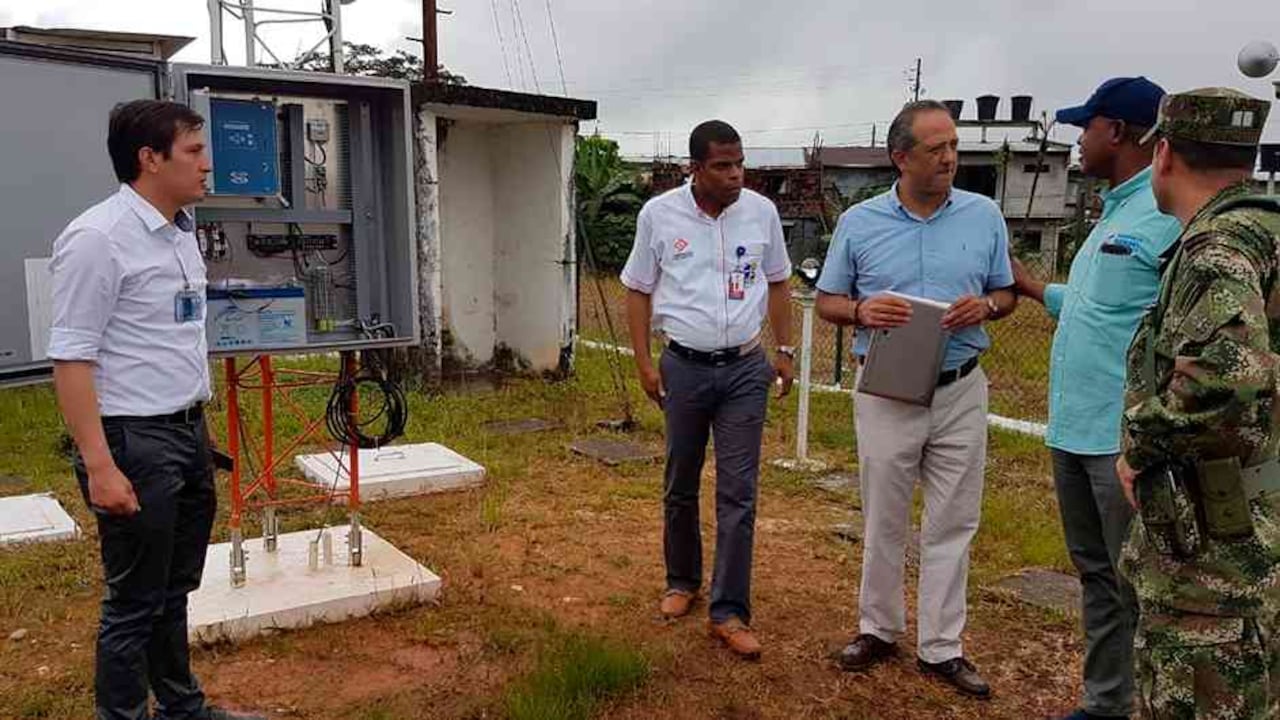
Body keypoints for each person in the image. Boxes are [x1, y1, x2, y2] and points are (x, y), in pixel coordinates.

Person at [49, 100, 263, 720]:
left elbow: (170, 339)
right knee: (134, 602)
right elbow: (71, 359)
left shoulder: (179, 230)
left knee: (174, 590)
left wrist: (197, 425)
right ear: (150, 159)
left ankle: (181, 708)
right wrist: (100, 466)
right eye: (194, 153)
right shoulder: (98, 239)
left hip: (184, 433)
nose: (207, 167)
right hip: (131, 443)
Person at [814, 100, 1017, 698]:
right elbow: (828, 301)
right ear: (901, 157)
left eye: (953, 146)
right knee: (884, 516)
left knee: (954, 519)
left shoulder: (984, 216)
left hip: (961, 387)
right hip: (887, 391)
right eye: (936, 149)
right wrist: (860, 310)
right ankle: (877, 628)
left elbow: (1005, 293)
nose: (951, 157)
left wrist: (986, 307)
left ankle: (941, 647)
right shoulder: (859, 223)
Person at [1012, 77, 1182, 720]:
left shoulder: (1168, 219)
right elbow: (1101, 310)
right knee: (1099, 579)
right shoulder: (1111, 212)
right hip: (1073, 431)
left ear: (1116, 131)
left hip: (1123, 441)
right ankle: (1106, 703)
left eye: (1086, 127)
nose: (1078, 140)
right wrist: (1034, 289)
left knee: (1141, 581)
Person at [1116, 87, 1280, 719]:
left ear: (1162, 155)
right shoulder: (1268, 232)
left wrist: (1140, 446)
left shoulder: (1217, 248)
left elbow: (1224, 377)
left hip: (1212, 549)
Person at [620, 119, 795, 660]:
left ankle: (730, 611)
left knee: (738, 492)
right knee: (680, 480)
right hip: (684, 369)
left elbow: (779, 282)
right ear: (694, 168)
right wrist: (646, 365)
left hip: (746, 370)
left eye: (739, 163)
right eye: (722, 166)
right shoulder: (660, 215)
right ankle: (682, 581)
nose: (735, 174)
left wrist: (784, 352)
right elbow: (637, 291)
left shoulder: (761, 214)